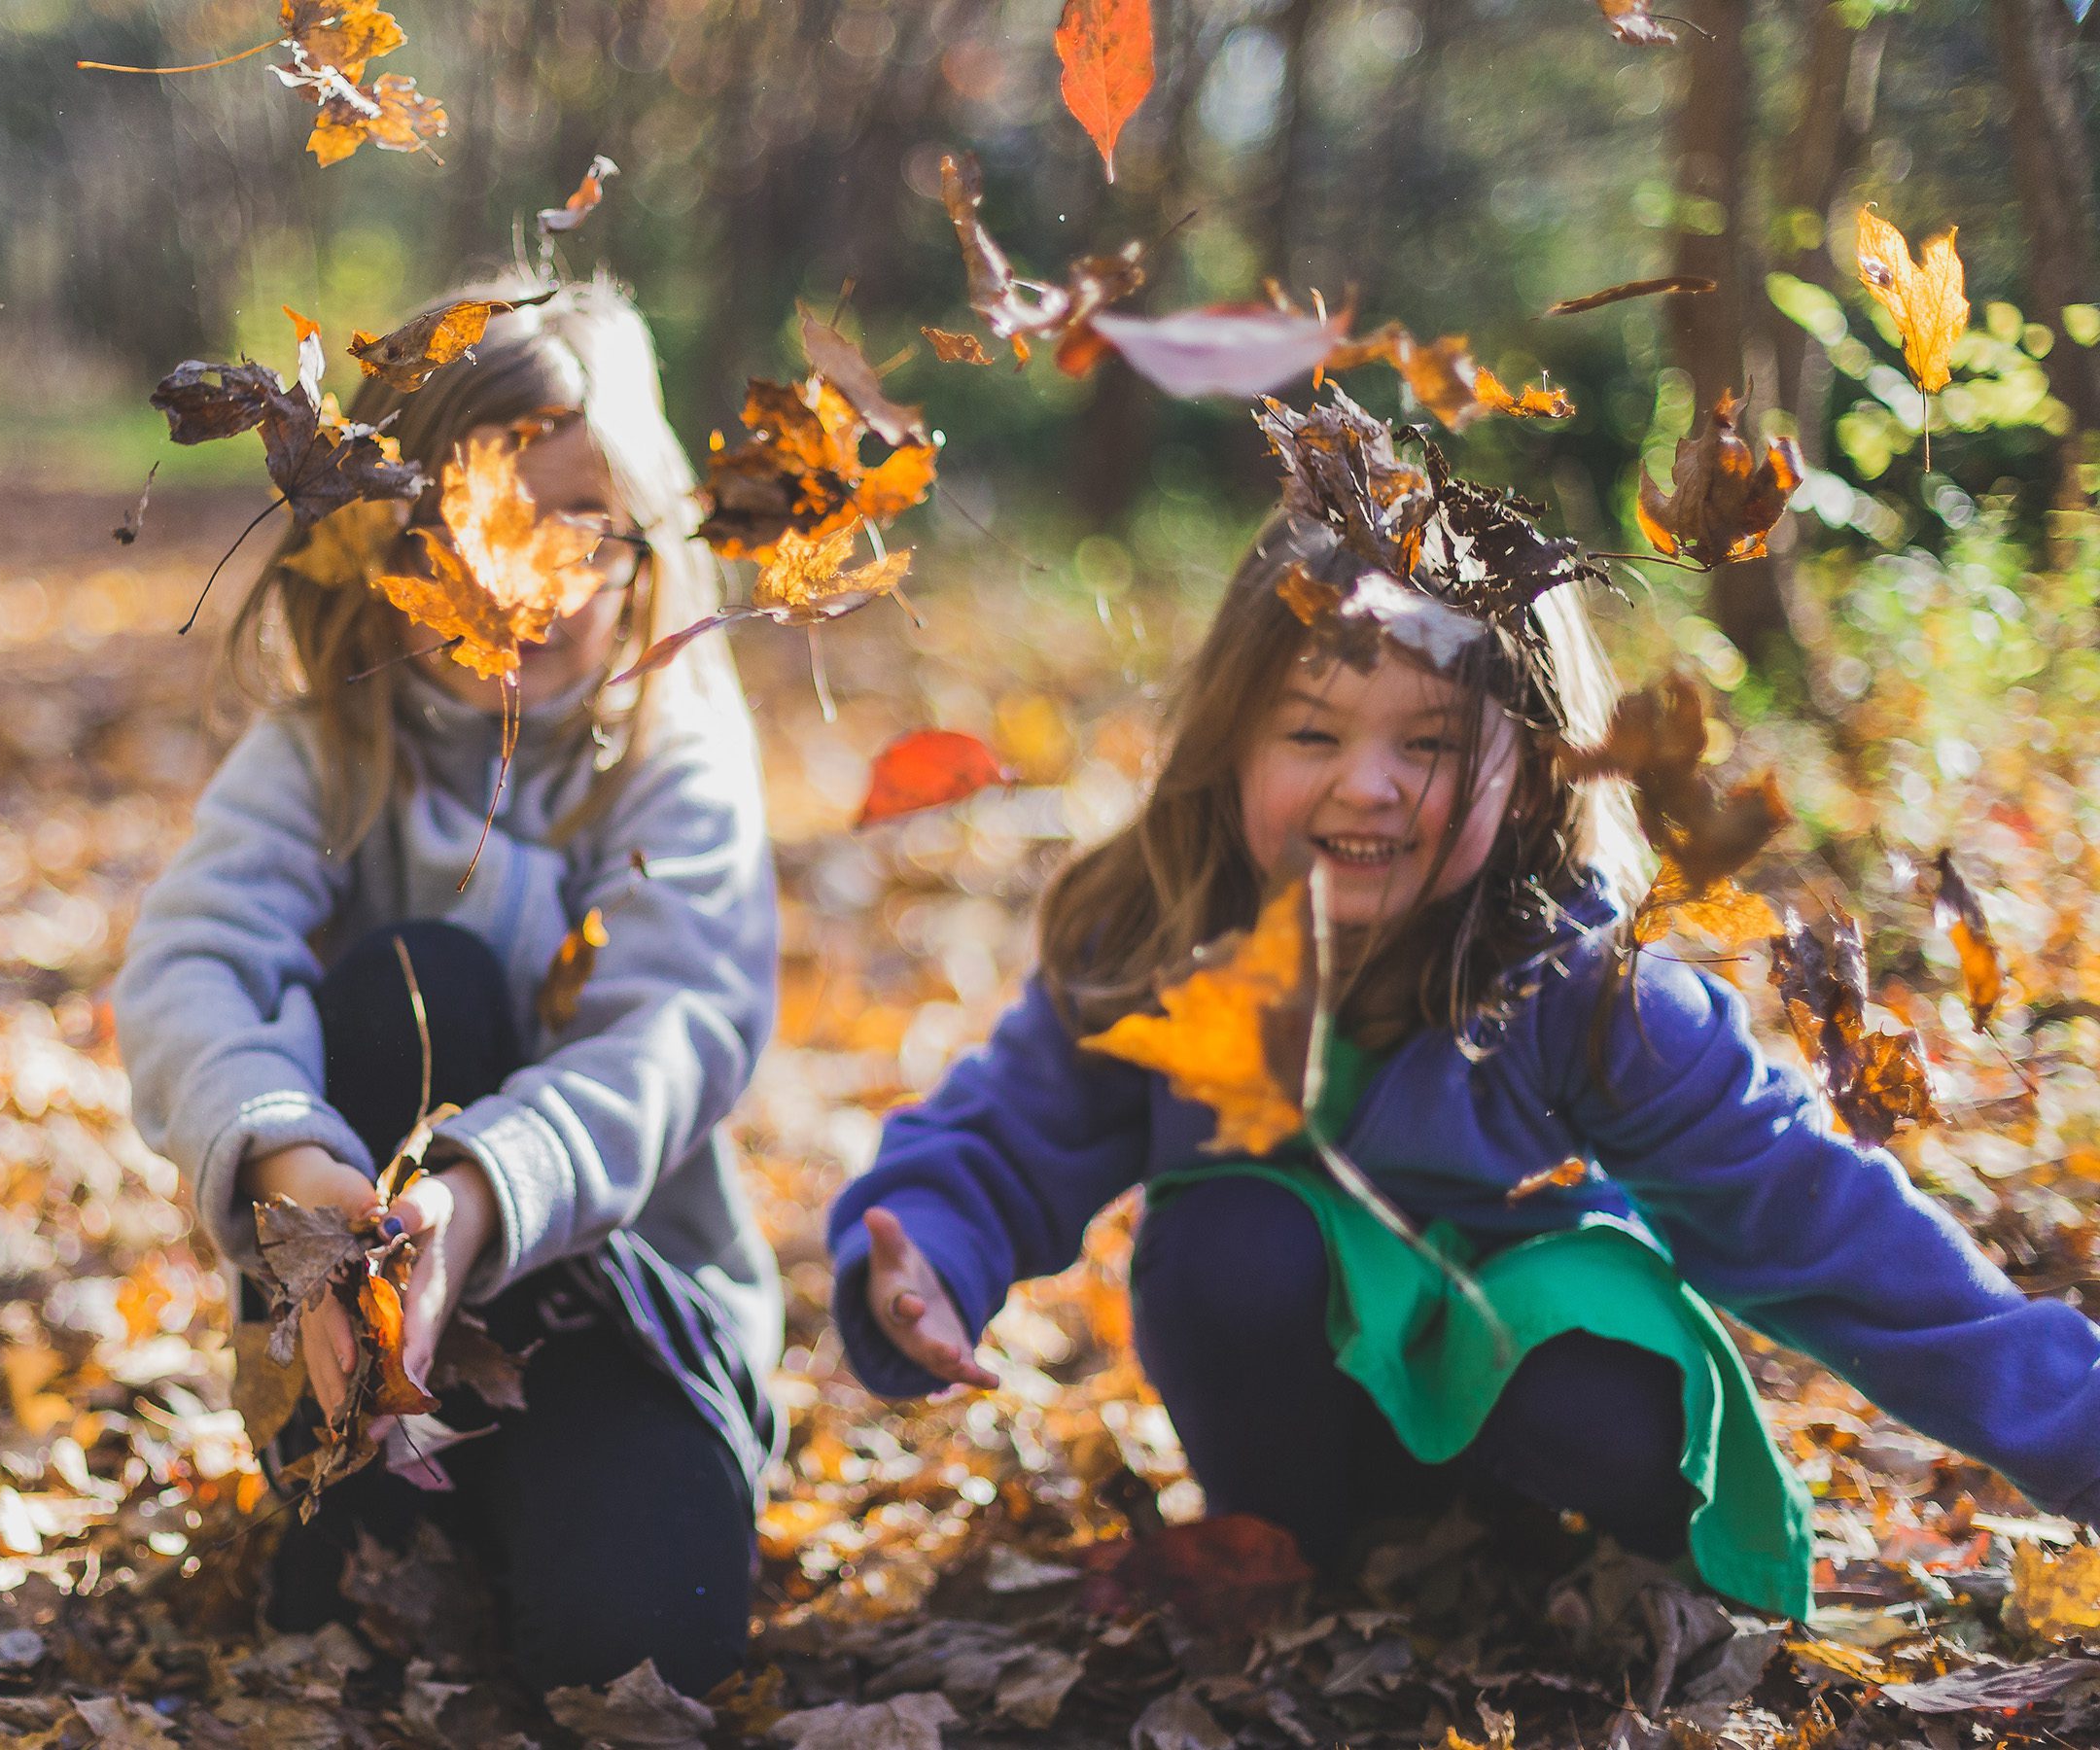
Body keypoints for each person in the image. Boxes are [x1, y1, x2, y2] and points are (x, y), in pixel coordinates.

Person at [826, 425, 2100, 1622]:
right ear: (1232, 742)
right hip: (1305, 1408)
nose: (1366, 784)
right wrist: (931, 1250)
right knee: (1227, 1238)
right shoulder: (1168, 937)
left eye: (1431, 743)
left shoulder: (1589, 990)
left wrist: (2080, 1434)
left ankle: (1553, 1563)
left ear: (1535, 767)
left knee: (1585, 1371)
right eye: (1312, 730)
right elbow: (1007, 1132)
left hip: (1546, 1397)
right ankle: (1304, 1555)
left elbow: (1827, 1224)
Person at [116, 275, 778, 1694]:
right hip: (357, 1328)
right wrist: (290, 1156)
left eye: (575, 523)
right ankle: (360, 1497)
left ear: (642, 533)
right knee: (419, 978)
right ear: (382, 539)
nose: (524, 575)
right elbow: (191, 965)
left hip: (618, 1323)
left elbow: (677, 1029)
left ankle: (570, 1514)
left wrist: (475, 1202)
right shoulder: (324, 753)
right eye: (473, 518)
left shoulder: (671, 755)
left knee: (643, 1658)